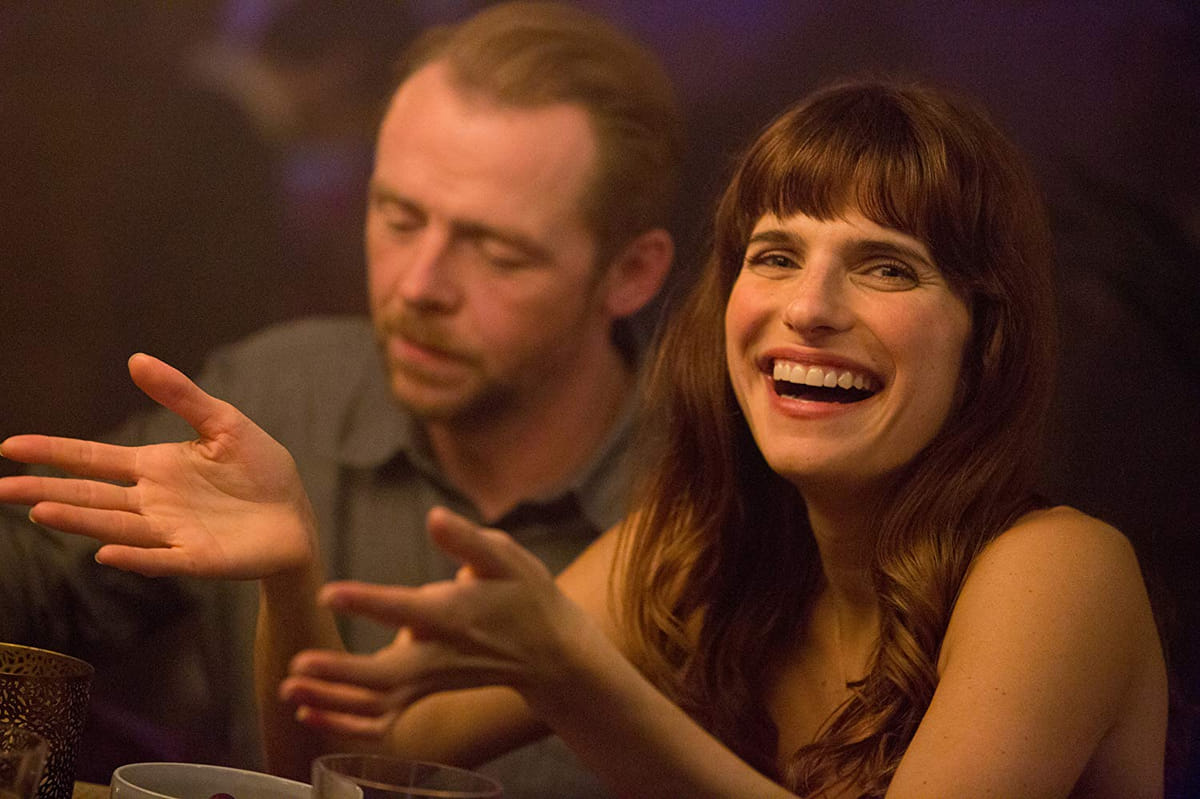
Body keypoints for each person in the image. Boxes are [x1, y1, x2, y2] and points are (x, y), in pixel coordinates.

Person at [0, 78, 1167, 797]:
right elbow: (342, 765)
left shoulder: (1058, 570)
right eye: (775, 254)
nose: (809, 307)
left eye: (887, 267)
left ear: (986, 336)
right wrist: (290, 569)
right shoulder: (702, 545)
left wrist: (582, 685)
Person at [0, 1, 681, 790]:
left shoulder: (708, 495)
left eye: (498, 251)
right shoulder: (282, 395)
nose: (419, 285)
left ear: (631, 273)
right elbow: (33, 577)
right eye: (398, 217)